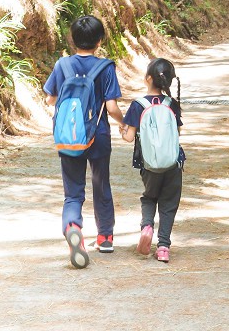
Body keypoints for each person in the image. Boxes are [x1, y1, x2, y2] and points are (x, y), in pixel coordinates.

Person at [44, 15, 124, 268]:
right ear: (100, 41)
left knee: (73, 192)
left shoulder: (62, 66)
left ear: (73, 39)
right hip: (97, 135)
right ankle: (105, 237)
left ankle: (72, 226)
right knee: (101, 185)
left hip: (69, 136)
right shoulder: (105, 67)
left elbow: (50, 99)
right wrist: (123, 122)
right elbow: (111, 106)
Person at [120, 58, 184, 264]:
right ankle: (163, 246)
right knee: (168, 203)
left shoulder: (138, 105)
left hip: (148, 165)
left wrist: (123, 131)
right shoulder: (171, 104)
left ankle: (147, 226)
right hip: (173, 164)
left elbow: (130, 137)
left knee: (149, 198)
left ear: (148, 78)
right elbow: (178, 133)